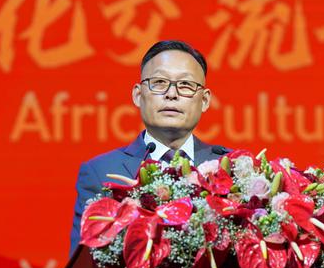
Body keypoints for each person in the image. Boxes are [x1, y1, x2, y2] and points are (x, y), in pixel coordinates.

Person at [69, 40, 227, 254]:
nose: (172, 94)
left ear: (205, 100)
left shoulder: (228, 169)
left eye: (185, 85)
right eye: (159, 82)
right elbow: (83, 263)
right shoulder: (100, 172)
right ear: (138, 95)